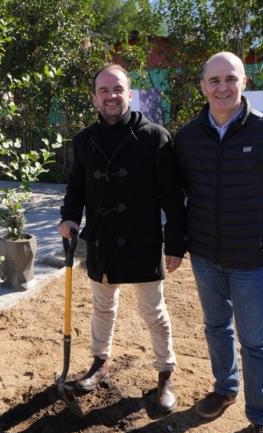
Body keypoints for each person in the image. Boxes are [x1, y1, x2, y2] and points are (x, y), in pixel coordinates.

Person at [174, 52, 263, 433]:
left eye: (230, 78)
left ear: (244, 82)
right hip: (206, 255)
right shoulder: (189, 137)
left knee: (256, 341)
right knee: (215, 327)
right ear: (202, 87)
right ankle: (224, 388)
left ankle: (261, 419)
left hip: (251, 257)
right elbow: (181, 189)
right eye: (214, 80)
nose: (222, 87)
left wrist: (256, 222)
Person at [59, 64, 187, 414]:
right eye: (104, 90)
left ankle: (165, 373)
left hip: (143, 242)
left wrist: (175, 244)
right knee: (102, 307)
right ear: (94, 97)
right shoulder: (84, 140)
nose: (111, 96)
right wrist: (69, 217)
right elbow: (77, 188)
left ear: (129, 94)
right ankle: (100, 362)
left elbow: (172, 197)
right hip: (102, 241)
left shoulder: (155, 137)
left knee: (153, 311)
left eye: (118, 89)